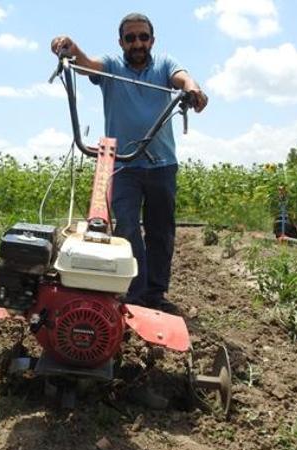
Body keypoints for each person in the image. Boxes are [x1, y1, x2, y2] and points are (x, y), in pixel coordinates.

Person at [51, 13, 208, 313]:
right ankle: (132, 293)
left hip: (161, 164)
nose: (137, 43)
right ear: (121, 41)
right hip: (123, 164)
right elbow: (86, 65)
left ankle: (155, 294)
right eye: (130, 38)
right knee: (126, 227)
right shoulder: (111, 65)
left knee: (161, 231)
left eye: (143, 37)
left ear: (152, 40)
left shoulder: (163, 65)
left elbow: (183, 77)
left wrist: (192, 89)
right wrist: (71, 49)